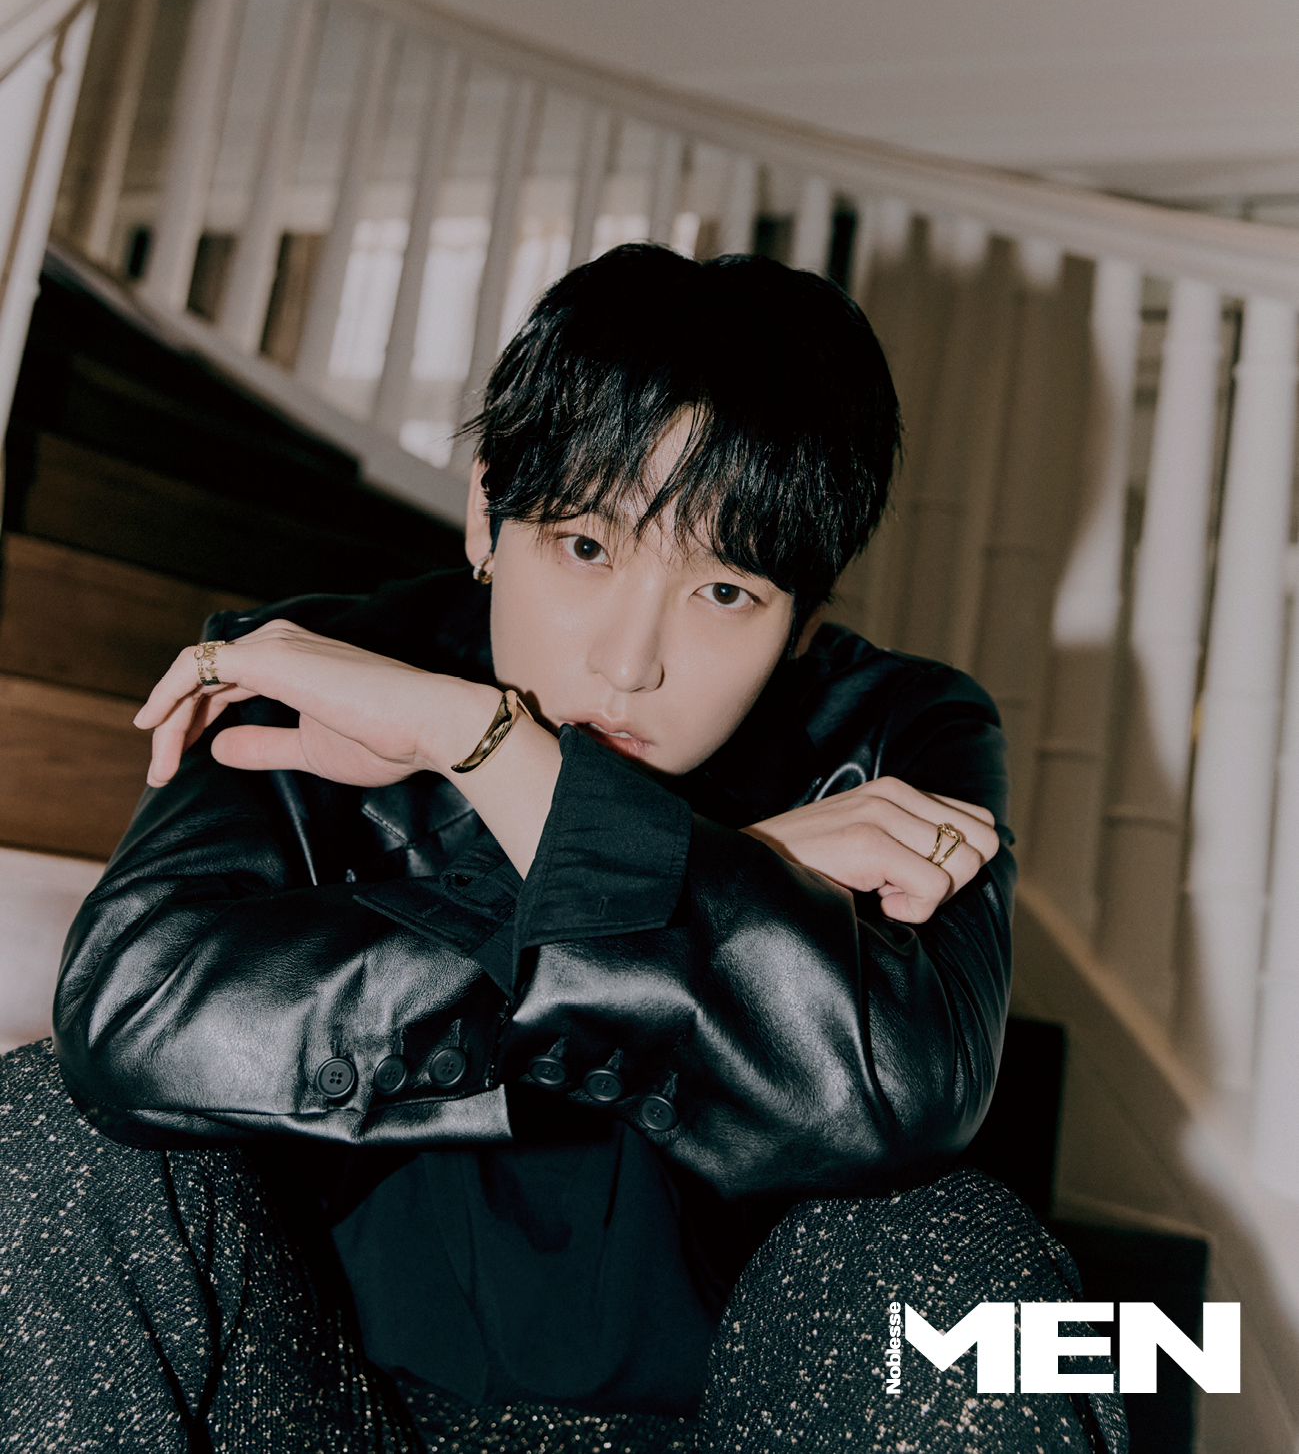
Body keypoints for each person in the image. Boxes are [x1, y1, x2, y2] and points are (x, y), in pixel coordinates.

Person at [1, 246, 1127, 1453]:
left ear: (805, 614)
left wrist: (495, 755)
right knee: (52, 1133)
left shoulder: (897, 732)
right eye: (588, 547)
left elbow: (903, 1090)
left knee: (959, 1257)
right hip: (321, 1405)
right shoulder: (326, 671)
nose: (629, 661)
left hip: (728, 1424)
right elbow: (132, 1020)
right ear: (486, 511)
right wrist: (729, 867)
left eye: (726, 591)